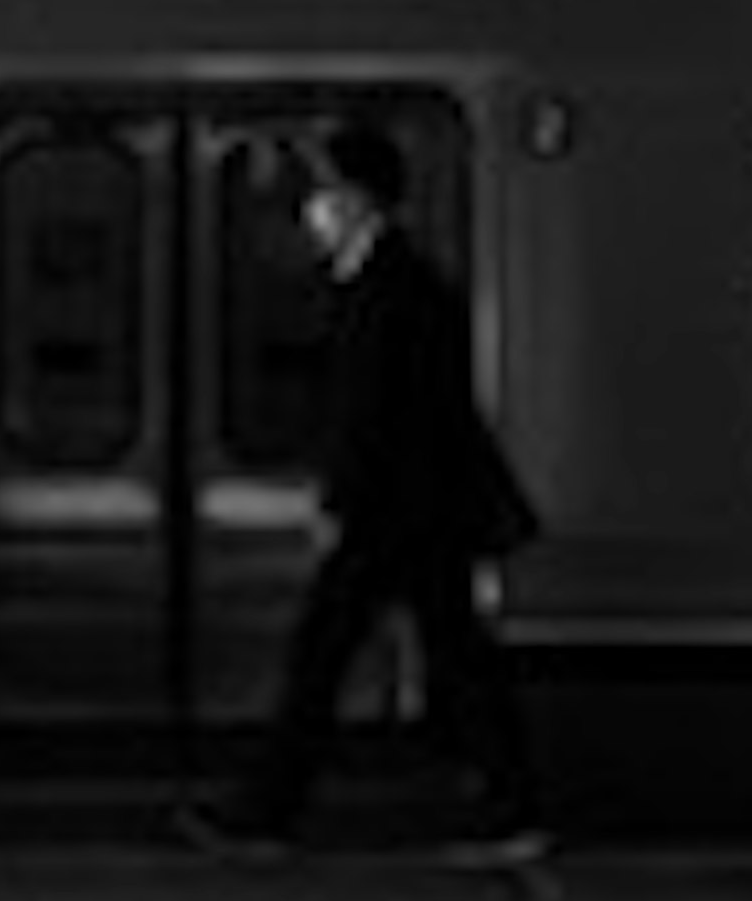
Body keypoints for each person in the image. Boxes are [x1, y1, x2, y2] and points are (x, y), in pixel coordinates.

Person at [183, 122, 549, 861]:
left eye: (320, 194)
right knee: (451, 655)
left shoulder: (392, 287)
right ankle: (509, 807)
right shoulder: (393, 281)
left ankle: (267, 815)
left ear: (355, 200)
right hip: (416, 513)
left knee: (328, 657)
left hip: (397, 514)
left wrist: (337, 504)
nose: (311, 210)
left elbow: (374, 412)